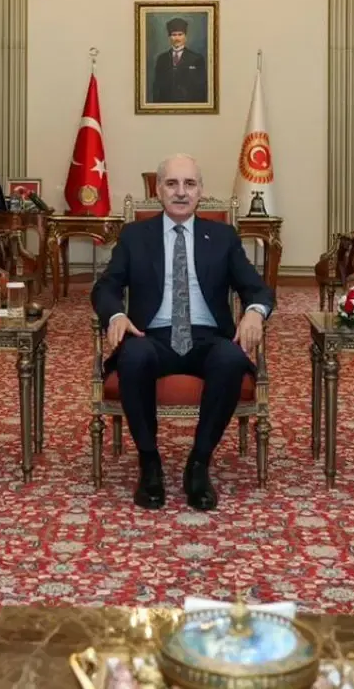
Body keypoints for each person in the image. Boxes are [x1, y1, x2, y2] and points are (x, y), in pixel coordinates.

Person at [91, 154, 274, 511]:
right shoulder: (135, 236)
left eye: (189, 184)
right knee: (133, 356)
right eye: (172, 184)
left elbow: (257, 289)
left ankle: (199, 463)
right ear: (158, 190)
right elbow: (106, 286)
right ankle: (150, 463)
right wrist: (116, 315)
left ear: (200, 191)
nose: (181, 192)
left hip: (208, 336)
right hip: (151, 335)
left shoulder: (222, 236)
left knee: (231, 358)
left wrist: (254, 312)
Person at [152, 17, 207, 104]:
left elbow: (202, 88)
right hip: (166, 106)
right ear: (169, 37)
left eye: (180, 34)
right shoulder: (162, 59)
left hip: (190, 106)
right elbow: (157, 87)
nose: (177, 38)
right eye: (174, 35)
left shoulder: (197, 59)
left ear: (185, 36)